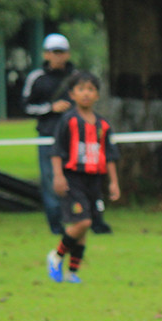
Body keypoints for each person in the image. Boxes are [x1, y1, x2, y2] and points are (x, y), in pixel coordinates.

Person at [45, 71, 120, 284]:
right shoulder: (68, 121)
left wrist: (114, 182)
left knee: (85, 225)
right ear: (72, 94)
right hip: (73, 178)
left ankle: (72, 272)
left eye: (90, 89)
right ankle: (57, 255)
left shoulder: (103, 125)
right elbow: (57, 151)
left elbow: (111, 155)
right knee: (83, 221)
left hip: (94, 180)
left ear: (97, 95)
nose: (86, 94)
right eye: (81, 89)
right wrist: (58, 176)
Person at [22, 34, 85, 235]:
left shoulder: (77, 78)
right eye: (54, 52)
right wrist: (50, 108)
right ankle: (56, 226)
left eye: (62, 52)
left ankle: (79, 220)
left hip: (75, 138)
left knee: (78, 180)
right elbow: (25, 107)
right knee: (51, 183)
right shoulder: (37, 78)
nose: (58, 56)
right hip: (48, 138)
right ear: (46, 54)